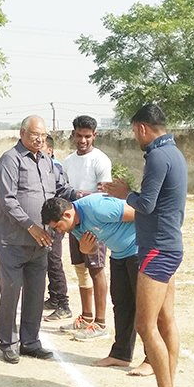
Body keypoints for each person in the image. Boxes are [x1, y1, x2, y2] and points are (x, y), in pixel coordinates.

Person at [100, 102, 186, 387]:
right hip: (167, 245)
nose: (135, 137)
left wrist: (125, 193)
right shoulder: (173, 153)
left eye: (134, 132)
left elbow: (146, 205)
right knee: (165, 320)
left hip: (157, 249)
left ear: (141, 128)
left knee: (146, 324)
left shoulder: (158, 157)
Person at [0, 115, 77, 364]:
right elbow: (7, 200)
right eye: (35, 134)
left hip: (42, 241)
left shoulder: (48, 161)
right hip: (12, 241)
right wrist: (31, 226)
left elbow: (60, 190)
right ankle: (9, 343)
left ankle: (30, 342)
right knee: (11, 291)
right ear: (22, 133)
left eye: (43, 135)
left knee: (36, 294)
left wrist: (83, 194)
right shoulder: (10, 160)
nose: (40, 139)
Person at [42, 195, 150, 372]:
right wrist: (86, 249)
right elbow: (92, 247)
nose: (58, 231)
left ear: (67, 215)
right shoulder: (74, 226)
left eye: (58, 226)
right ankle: (120, 355)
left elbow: (142, 214)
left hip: (140, 252)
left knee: (145, 307)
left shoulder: (97, 207)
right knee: (122, 305)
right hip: (119, 255)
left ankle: (152, 359)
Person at [62, 115, 113, 334]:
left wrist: (81, 195)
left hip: (94, 225)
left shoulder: (101, 160)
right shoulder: (67, 161)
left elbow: (105, 194)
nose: (83, 140)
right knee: (81, 269)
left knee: (96, 269)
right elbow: (64, 191)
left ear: (95, 136)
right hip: (73, 224)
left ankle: (100, 323)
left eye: (87, 136)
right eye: (79, 135)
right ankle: (86, 317)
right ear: (73, 134)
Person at [42, 135, 72, 323]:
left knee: (53, 260)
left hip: (55, 221)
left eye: (42, 146)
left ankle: (63, 304)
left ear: (50, 150)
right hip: (47, 220)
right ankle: (53, 297)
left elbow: (63, 192)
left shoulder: (55, 167)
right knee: (47, 259)